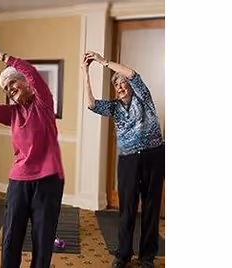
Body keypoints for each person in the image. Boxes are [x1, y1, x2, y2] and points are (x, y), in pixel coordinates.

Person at [0, 46, 65, 268]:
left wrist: (3, 57)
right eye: (6, 88)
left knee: (42, 239)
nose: (9, 89)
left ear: (26, 83)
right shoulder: (12, 114)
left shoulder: (44, 104)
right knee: (11, 236)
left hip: (47, 181)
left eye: (12, 83)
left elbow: (31, 71)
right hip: (19, 181)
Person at [82, 51, 165, 268]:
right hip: (128, 160)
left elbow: (133, 74)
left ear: (130, 85)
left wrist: (103, 62)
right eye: (116, 84)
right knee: (127, 207)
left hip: (153, 155)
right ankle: (123, 254)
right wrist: (85, 72)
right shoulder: (114, 107)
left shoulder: (143, 97)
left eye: (122, 82)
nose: (119, 86)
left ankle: (147, 257)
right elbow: (90, 104)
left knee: (151, 206)